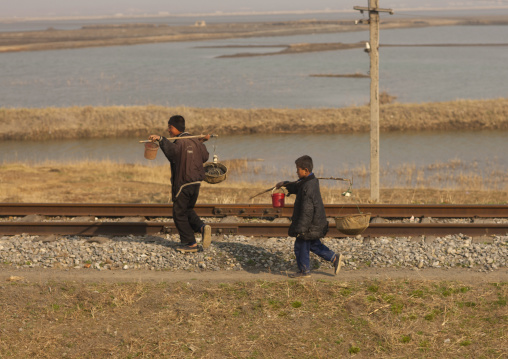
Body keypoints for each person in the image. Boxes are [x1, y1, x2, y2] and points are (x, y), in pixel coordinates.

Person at [148, 115, 212, 253]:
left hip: (184, 183)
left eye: (169, 128)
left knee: (178, 213)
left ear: (174, 127)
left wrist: (161, 139)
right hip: (196, 183)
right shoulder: (195, 141)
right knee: (187, 210)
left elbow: (172, 154)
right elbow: (205, 156)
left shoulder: (180, 142)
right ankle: (202, 227)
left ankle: (190, 243)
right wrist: (200, 142)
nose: (168, 131)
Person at [277, 155, 343, 278]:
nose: (296, 172)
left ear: (306, 170)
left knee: (300, 245)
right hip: (315, 222)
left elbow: (307, 210)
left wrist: (301, 228)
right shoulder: (308, 181)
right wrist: (285, 184)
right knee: (313, 244)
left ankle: (304, 271)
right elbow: (297, 186)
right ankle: (334, 258)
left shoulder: (308, 186)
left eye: (298, 169)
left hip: (309, 223)